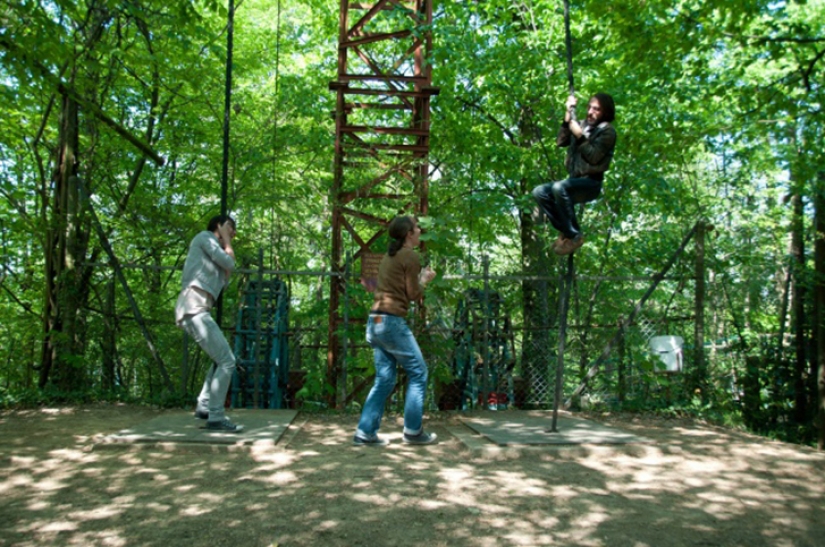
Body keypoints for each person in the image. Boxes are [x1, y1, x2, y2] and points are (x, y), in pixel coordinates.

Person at [353, 215, 438, 446]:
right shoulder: (410, 255)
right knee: (419, 373)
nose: (420, 230)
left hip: (375, 321)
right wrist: (424, 279)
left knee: (384, 379)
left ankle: (365, 432)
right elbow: (413, 294)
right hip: (391, 322)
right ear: (409, 234)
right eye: (417, 228)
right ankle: (413, 431)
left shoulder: (389, 256)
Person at [175, 214, 243, 432]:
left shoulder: (216, 253)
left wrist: (227, 245)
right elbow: (229, 262)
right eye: (230, 227)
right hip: (193, 308)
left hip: (199, 309)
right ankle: (216, 417)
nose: (233, 232)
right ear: (218, 226)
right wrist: (226, 239)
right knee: (227, 361)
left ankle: (204, 406)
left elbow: (227, 270)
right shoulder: (205, 237)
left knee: (219, 359)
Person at [533, 92, 616, 256]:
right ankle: (568, 232)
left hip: (590, 183)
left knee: (559, 188)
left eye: (596, 109)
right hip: (573, 181)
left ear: (606, 112)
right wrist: (568, 115)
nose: (590, 112)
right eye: (589, 107)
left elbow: (594, 157)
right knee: (539, 192)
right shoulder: (582, 124)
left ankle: (574, 234)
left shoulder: (607, 132)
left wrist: (579, 135)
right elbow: (561, 141)